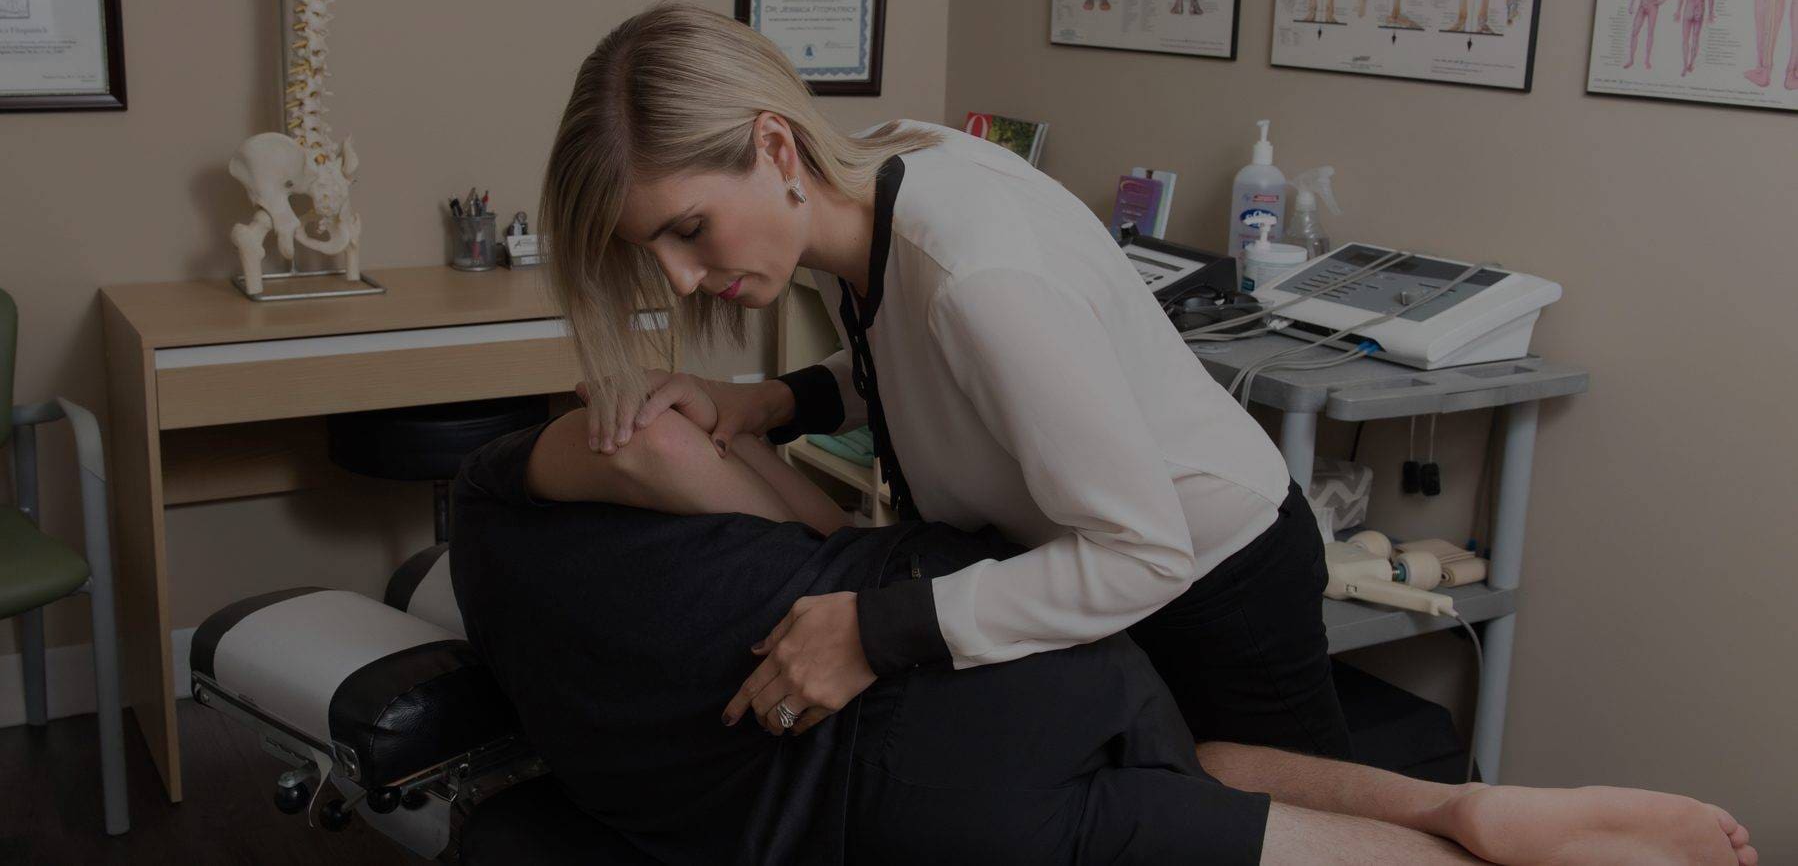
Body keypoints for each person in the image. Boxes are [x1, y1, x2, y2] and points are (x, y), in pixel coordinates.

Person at [538, 1, 1348, 763]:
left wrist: (875, 631)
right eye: (655, 250)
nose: (679, 278)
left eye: (688, 229)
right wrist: (762, 404)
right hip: (1088, 566)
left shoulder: (975, 274)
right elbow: (917, 356)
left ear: (775, 148)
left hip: (1217, 577)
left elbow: (1147, 553)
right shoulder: (858, 197)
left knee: (1296, 828)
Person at [448, 400, 1759, 865]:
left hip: (899, 809)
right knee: (1198, 748)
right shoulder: (501, 482)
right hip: (994, 641)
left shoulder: (527, 637)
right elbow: (667, 438)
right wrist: (800, 516)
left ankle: (1459, 848)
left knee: (1204, 808)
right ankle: (1452, 803)